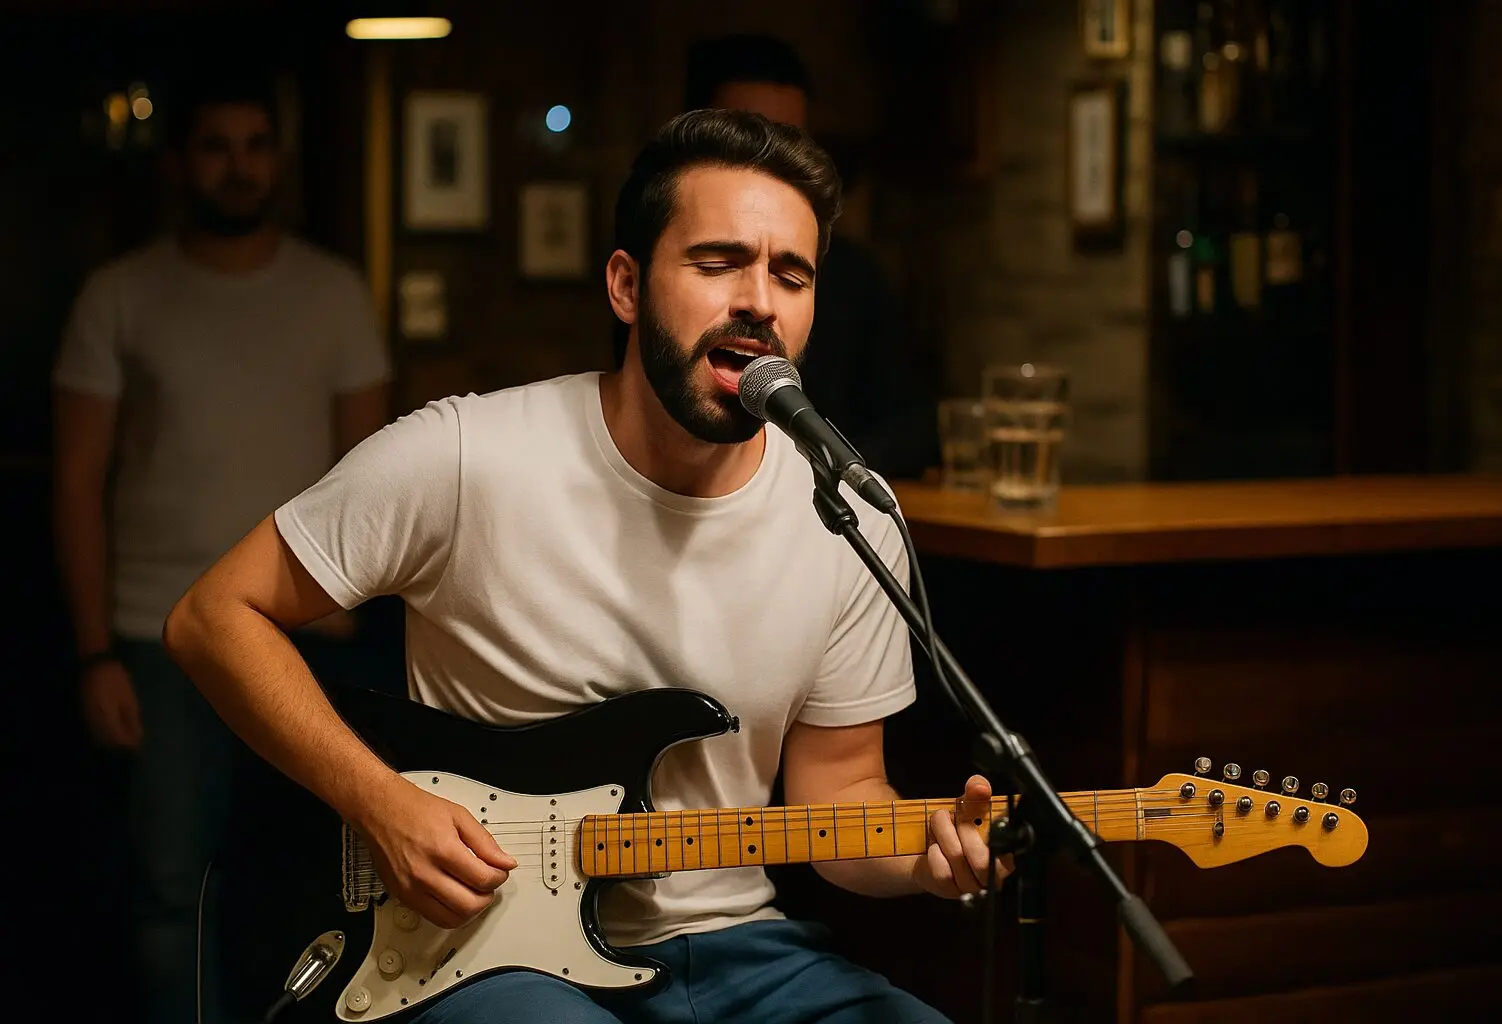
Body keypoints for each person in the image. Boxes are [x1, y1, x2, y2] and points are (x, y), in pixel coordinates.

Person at [161, 109, 1008, 1023]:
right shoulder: (465, 457)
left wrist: (925, 856)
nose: (759, 298)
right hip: (484, 952)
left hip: (742, 952)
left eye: (790, 273)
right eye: (719, 261)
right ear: (626, 286)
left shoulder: (847, 512)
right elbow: (213, 617)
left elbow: (840, 799)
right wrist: (380, 803)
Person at [52, 68, 391, 1022]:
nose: (239, 169)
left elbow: (376, 477)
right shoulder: (119, 295)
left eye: (256, 145)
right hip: (157, 640)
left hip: (313, 640)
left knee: (319, 891)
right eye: (216, 147)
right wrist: (92, 655)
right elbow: (78, 482)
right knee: (171, 890)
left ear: (277, 159)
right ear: (178, 164)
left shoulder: (332, 294)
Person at [677, 32, 940, 482]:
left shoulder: (855, 277)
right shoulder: (664, 271)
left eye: (788, 140)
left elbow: (915, 423)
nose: (759, 301)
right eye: (744, 138)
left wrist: (826, 467)